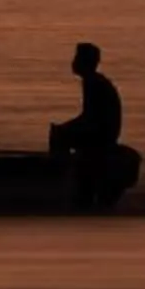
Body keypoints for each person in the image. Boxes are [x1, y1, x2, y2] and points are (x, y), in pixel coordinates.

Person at [50, 40, 124, 207]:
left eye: (77, 58)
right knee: (62, 131)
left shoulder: (94, 83)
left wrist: (65, 128)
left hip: (102, 133)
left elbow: (91, 116)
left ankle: (60, 179)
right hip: (103, 130)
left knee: (59, 135)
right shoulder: (95, 81)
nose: (73, 62)